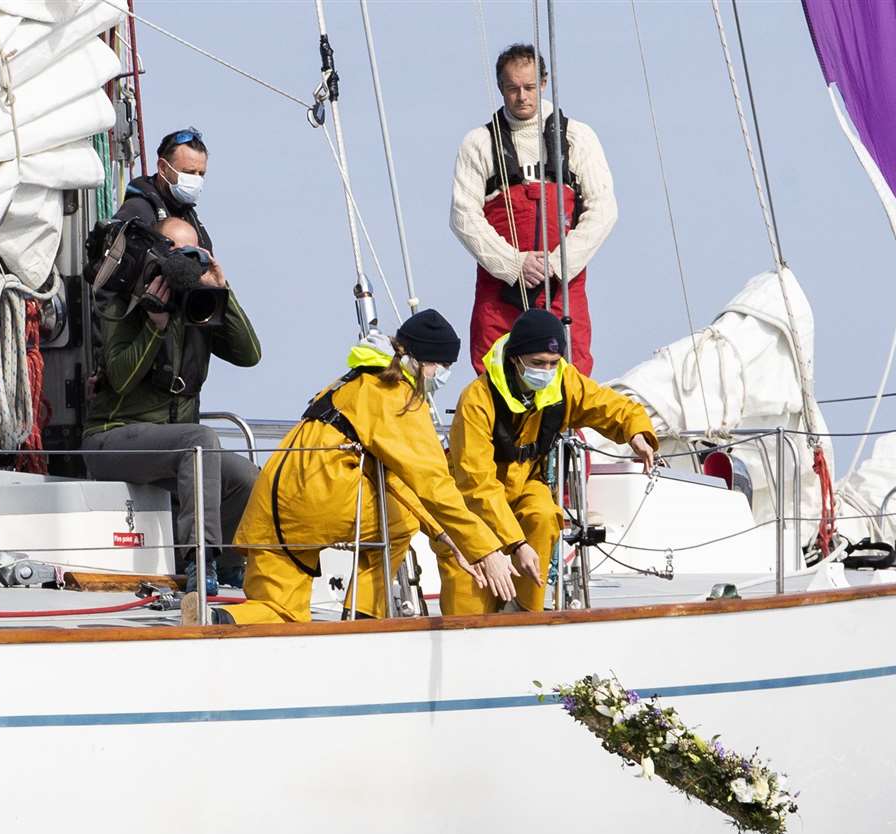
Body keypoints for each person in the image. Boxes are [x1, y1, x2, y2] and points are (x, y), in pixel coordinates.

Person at [227, 310, 519, 627]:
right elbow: (434, 485)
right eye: (444, 366)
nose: (444, 374)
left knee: (280, 613)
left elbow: (396, 478)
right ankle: (362, 617)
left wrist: (445, 536)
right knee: (400, 523)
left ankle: (217, 616)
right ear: (423, 362)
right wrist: (485, 550)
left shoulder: (351, 381)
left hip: (270, 507)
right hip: (316, 501)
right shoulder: (398, 397)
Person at [82, 215, 261, 594]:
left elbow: (250, 355)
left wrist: (222, 292)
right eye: (174, 251)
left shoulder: (201, 305)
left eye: (192, 252)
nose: (184, 260)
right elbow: (122, 378)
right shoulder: (126, 302)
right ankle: (201, 561)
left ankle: (230, 562)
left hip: (170, 448)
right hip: (112, 439)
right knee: (201, 440)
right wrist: (154, 325)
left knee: (246, 476)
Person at [439, 309, 657, 616]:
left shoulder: (564, 382)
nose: (547, 370)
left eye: (553, 364)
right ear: (516, 359)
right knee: (468, 607)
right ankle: (472, 633)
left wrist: (636, 431)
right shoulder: (477, 400)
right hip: (472, 506)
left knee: (543, 514)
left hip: (527, 482)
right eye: (538, 363)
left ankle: (526, 613)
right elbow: (476, 483)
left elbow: (610, 405)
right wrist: (516, 544)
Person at [451, 44, 617, 377]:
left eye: (528, 87)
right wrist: (514, 264)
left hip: (563, 287)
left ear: (543, 83)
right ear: (501, 88)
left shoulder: (577, 137)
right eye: (512, 88)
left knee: (572, 372)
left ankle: (571, 430)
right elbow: (463, 216)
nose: (522, 96)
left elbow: (603, 210)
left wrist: (557, 264)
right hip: (500, 288)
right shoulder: (479, 143)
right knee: (494, 373)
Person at [114, 128, 214, 250]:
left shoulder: (189, 216)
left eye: (201, 174)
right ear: (163, 168)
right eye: (189, 172)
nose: (196, 180)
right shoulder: (137, 211)